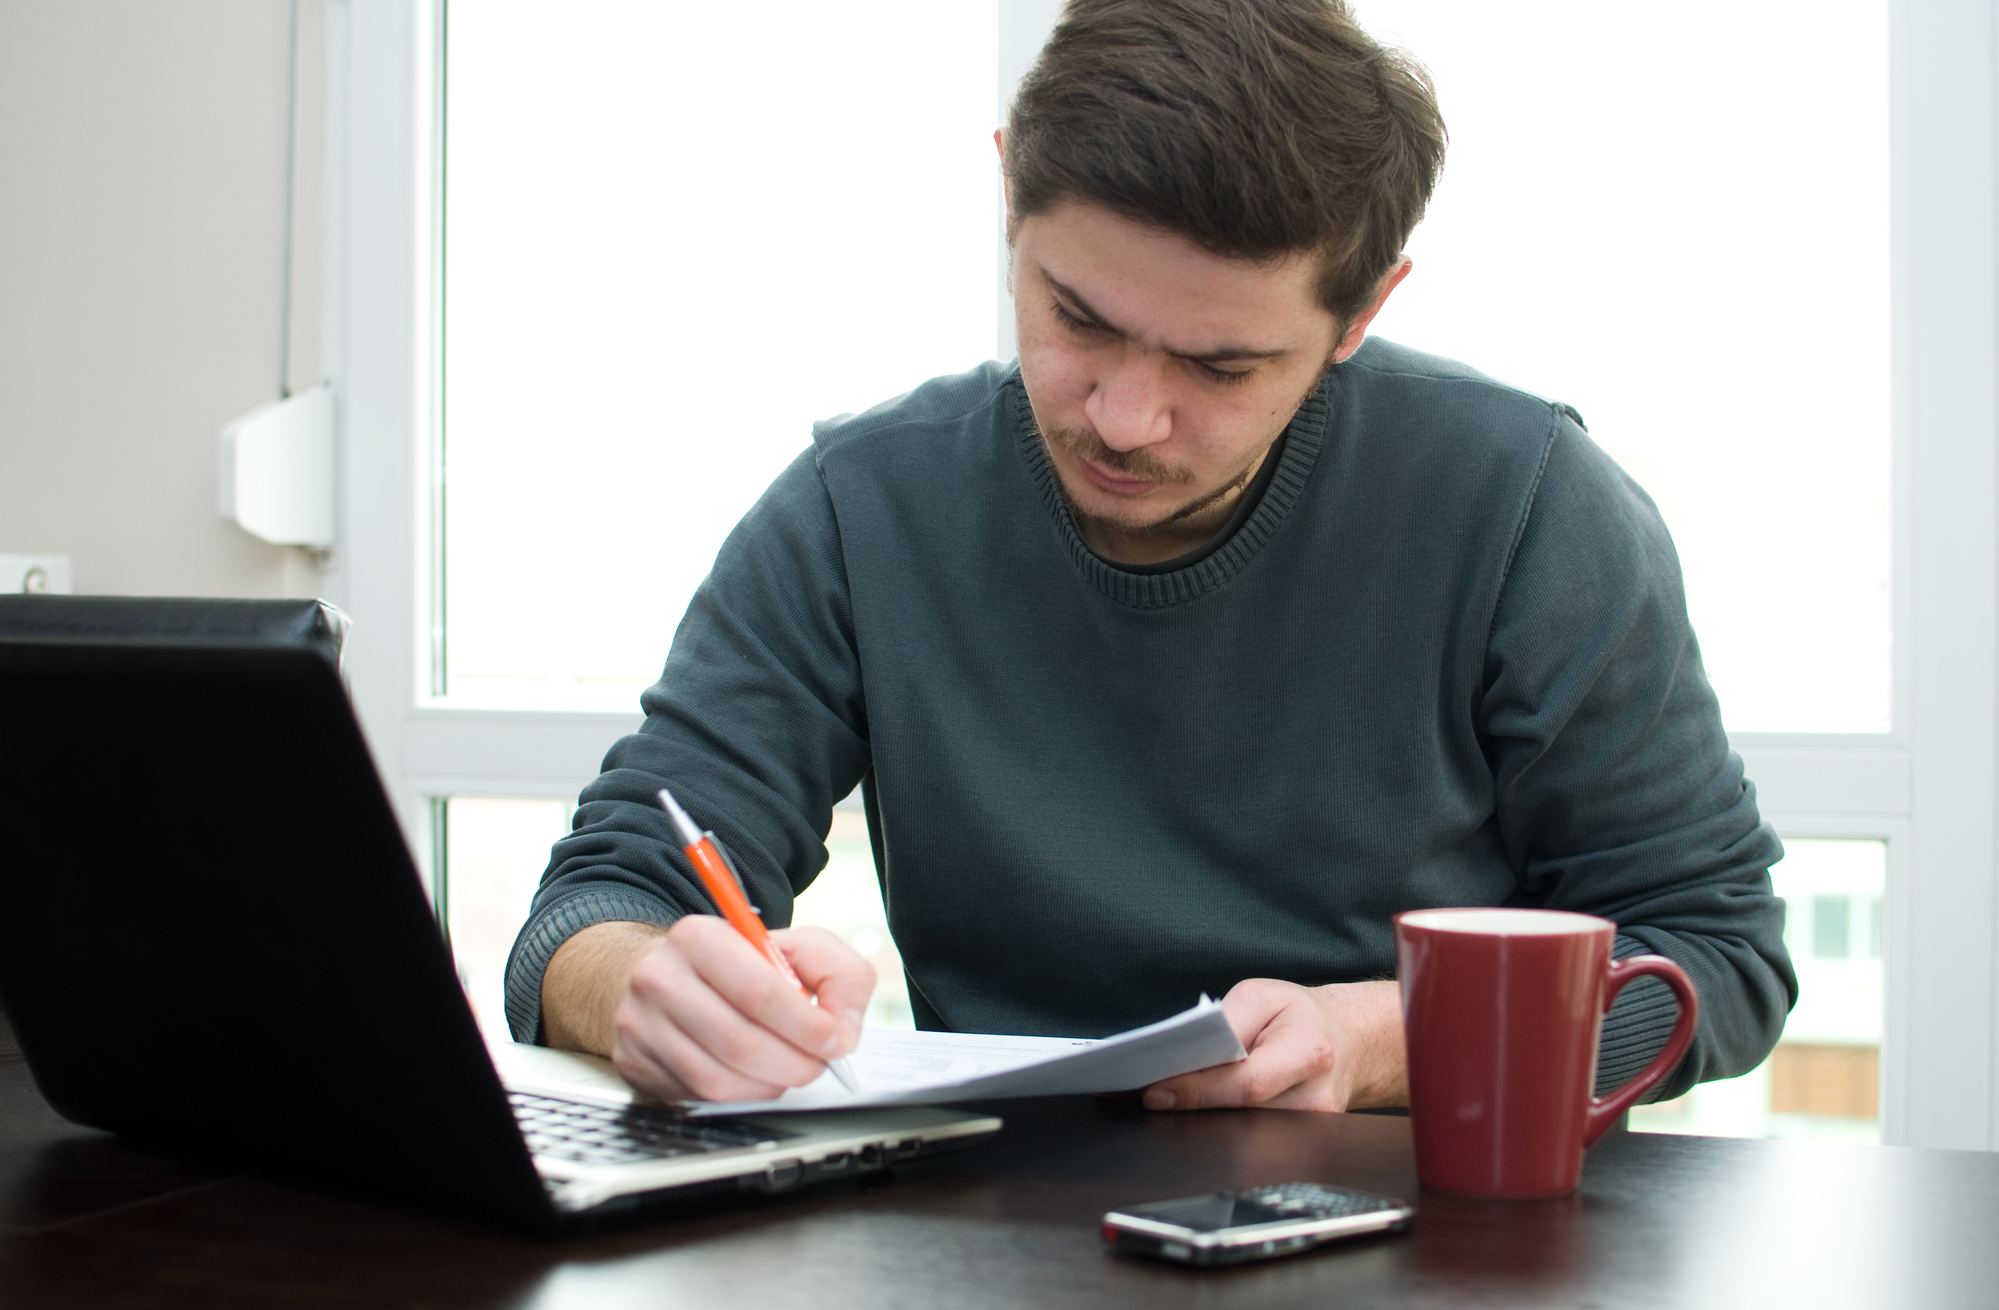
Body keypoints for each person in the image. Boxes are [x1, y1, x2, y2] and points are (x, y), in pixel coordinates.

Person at [504, 0, 1796, 1112]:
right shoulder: (863, 508)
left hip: (1429, 1238)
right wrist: (640, 988)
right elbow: (593, 905)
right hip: (987, 1239)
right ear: (1011, 191)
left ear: (1364, 312)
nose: (1122, 417)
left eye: (1222, 366)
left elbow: (1716, 959)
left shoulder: (1524, 503)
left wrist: (1386, 1038)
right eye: (1077, 317)